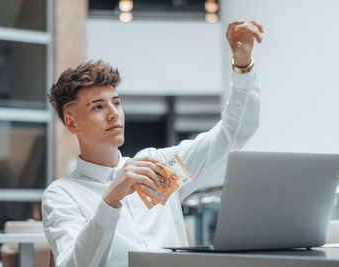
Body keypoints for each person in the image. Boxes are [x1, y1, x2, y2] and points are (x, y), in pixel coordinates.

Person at [42, 19, 264, 267]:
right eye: (98, 106)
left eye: (116, 102)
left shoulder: (158, 166)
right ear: (72, 124)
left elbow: (234, 132)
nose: (114, 113)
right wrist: (110, 200)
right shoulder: (62, 195)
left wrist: (242, 66)